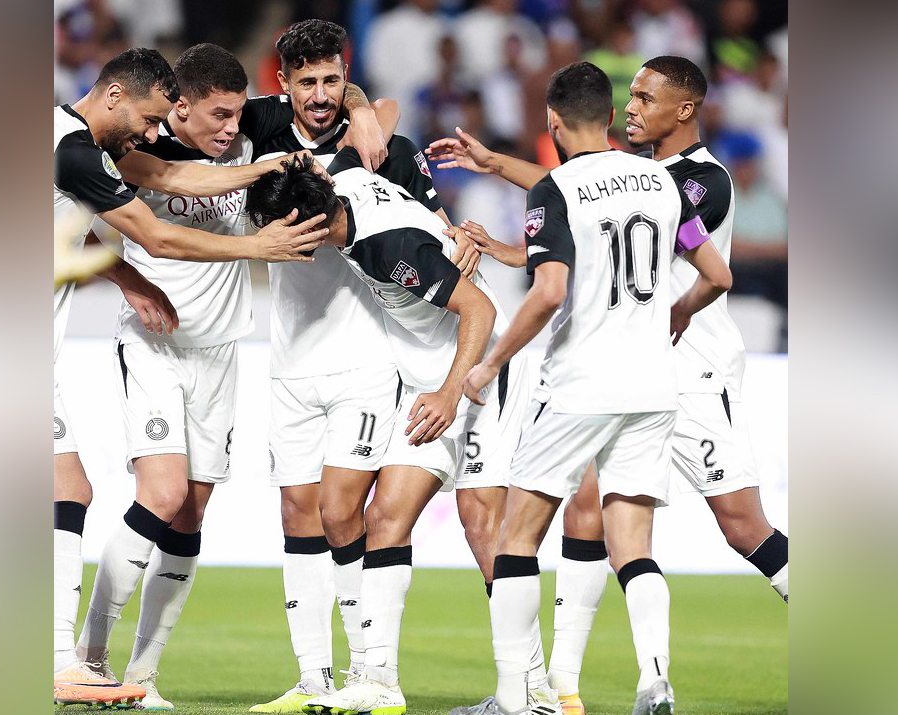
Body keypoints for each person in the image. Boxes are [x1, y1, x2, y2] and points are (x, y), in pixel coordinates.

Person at [429, 56, 787, 715]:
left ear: (685, 109)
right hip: (650, 375)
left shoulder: (700, 180)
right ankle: (578, 686)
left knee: (742, 527)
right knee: (599, 519)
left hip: (682, 373)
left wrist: (487, 362)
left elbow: (580, 200)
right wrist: (500, 175)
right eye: (629, 96)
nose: (633, 105)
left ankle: (523, 698)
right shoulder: (653, 184)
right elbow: (597, 199)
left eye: (647, 96)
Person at [71, 42, 393, 710]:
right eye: (217, 115)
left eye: (237, 115)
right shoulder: (135, 150)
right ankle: (89, 655)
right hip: (157, 349)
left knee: (191, 510)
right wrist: (132, 277)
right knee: (159, 495)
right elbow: (146, 204)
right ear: (178, 106)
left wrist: (360, 108)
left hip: (220, 352)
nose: (229, 128)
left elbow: (340, 102)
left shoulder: (247, 130)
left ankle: (144, 676)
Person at [243, 21, 505, 714]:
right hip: (290, 358)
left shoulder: (377, 155)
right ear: (284, 84)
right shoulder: (262, 127)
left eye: (334, 80)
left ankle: (381, 672)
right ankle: (316, 679)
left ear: (345, 71)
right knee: (300, 512)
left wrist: (453, 237)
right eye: (308, 82)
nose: (322, 95)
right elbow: (203, 126)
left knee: (357, 513)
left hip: (373, 360)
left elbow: (427, 224)